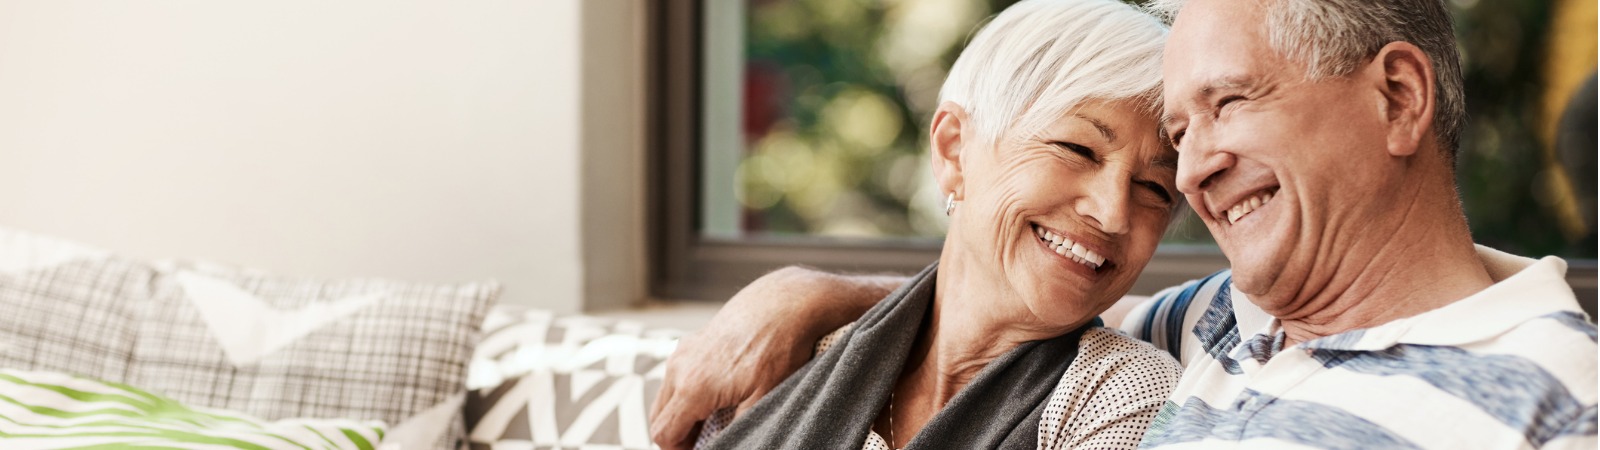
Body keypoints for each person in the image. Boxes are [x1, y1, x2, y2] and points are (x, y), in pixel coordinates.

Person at [650, 0, 1600, 448]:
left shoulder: (1557, 402)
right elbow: (1012, 308)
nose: (1191, 173)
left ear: (1396, 97)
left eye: (1228, 104)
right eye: (1181, 134)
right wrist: (803, 295)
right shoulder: (1222, 317)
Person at [671, 1, 1186, 449]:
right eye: (1077, 149)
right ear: (954, 149)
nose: (1114, 212)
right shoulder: (789, 352)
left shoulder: (1123, 396)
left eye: (1156, 189)